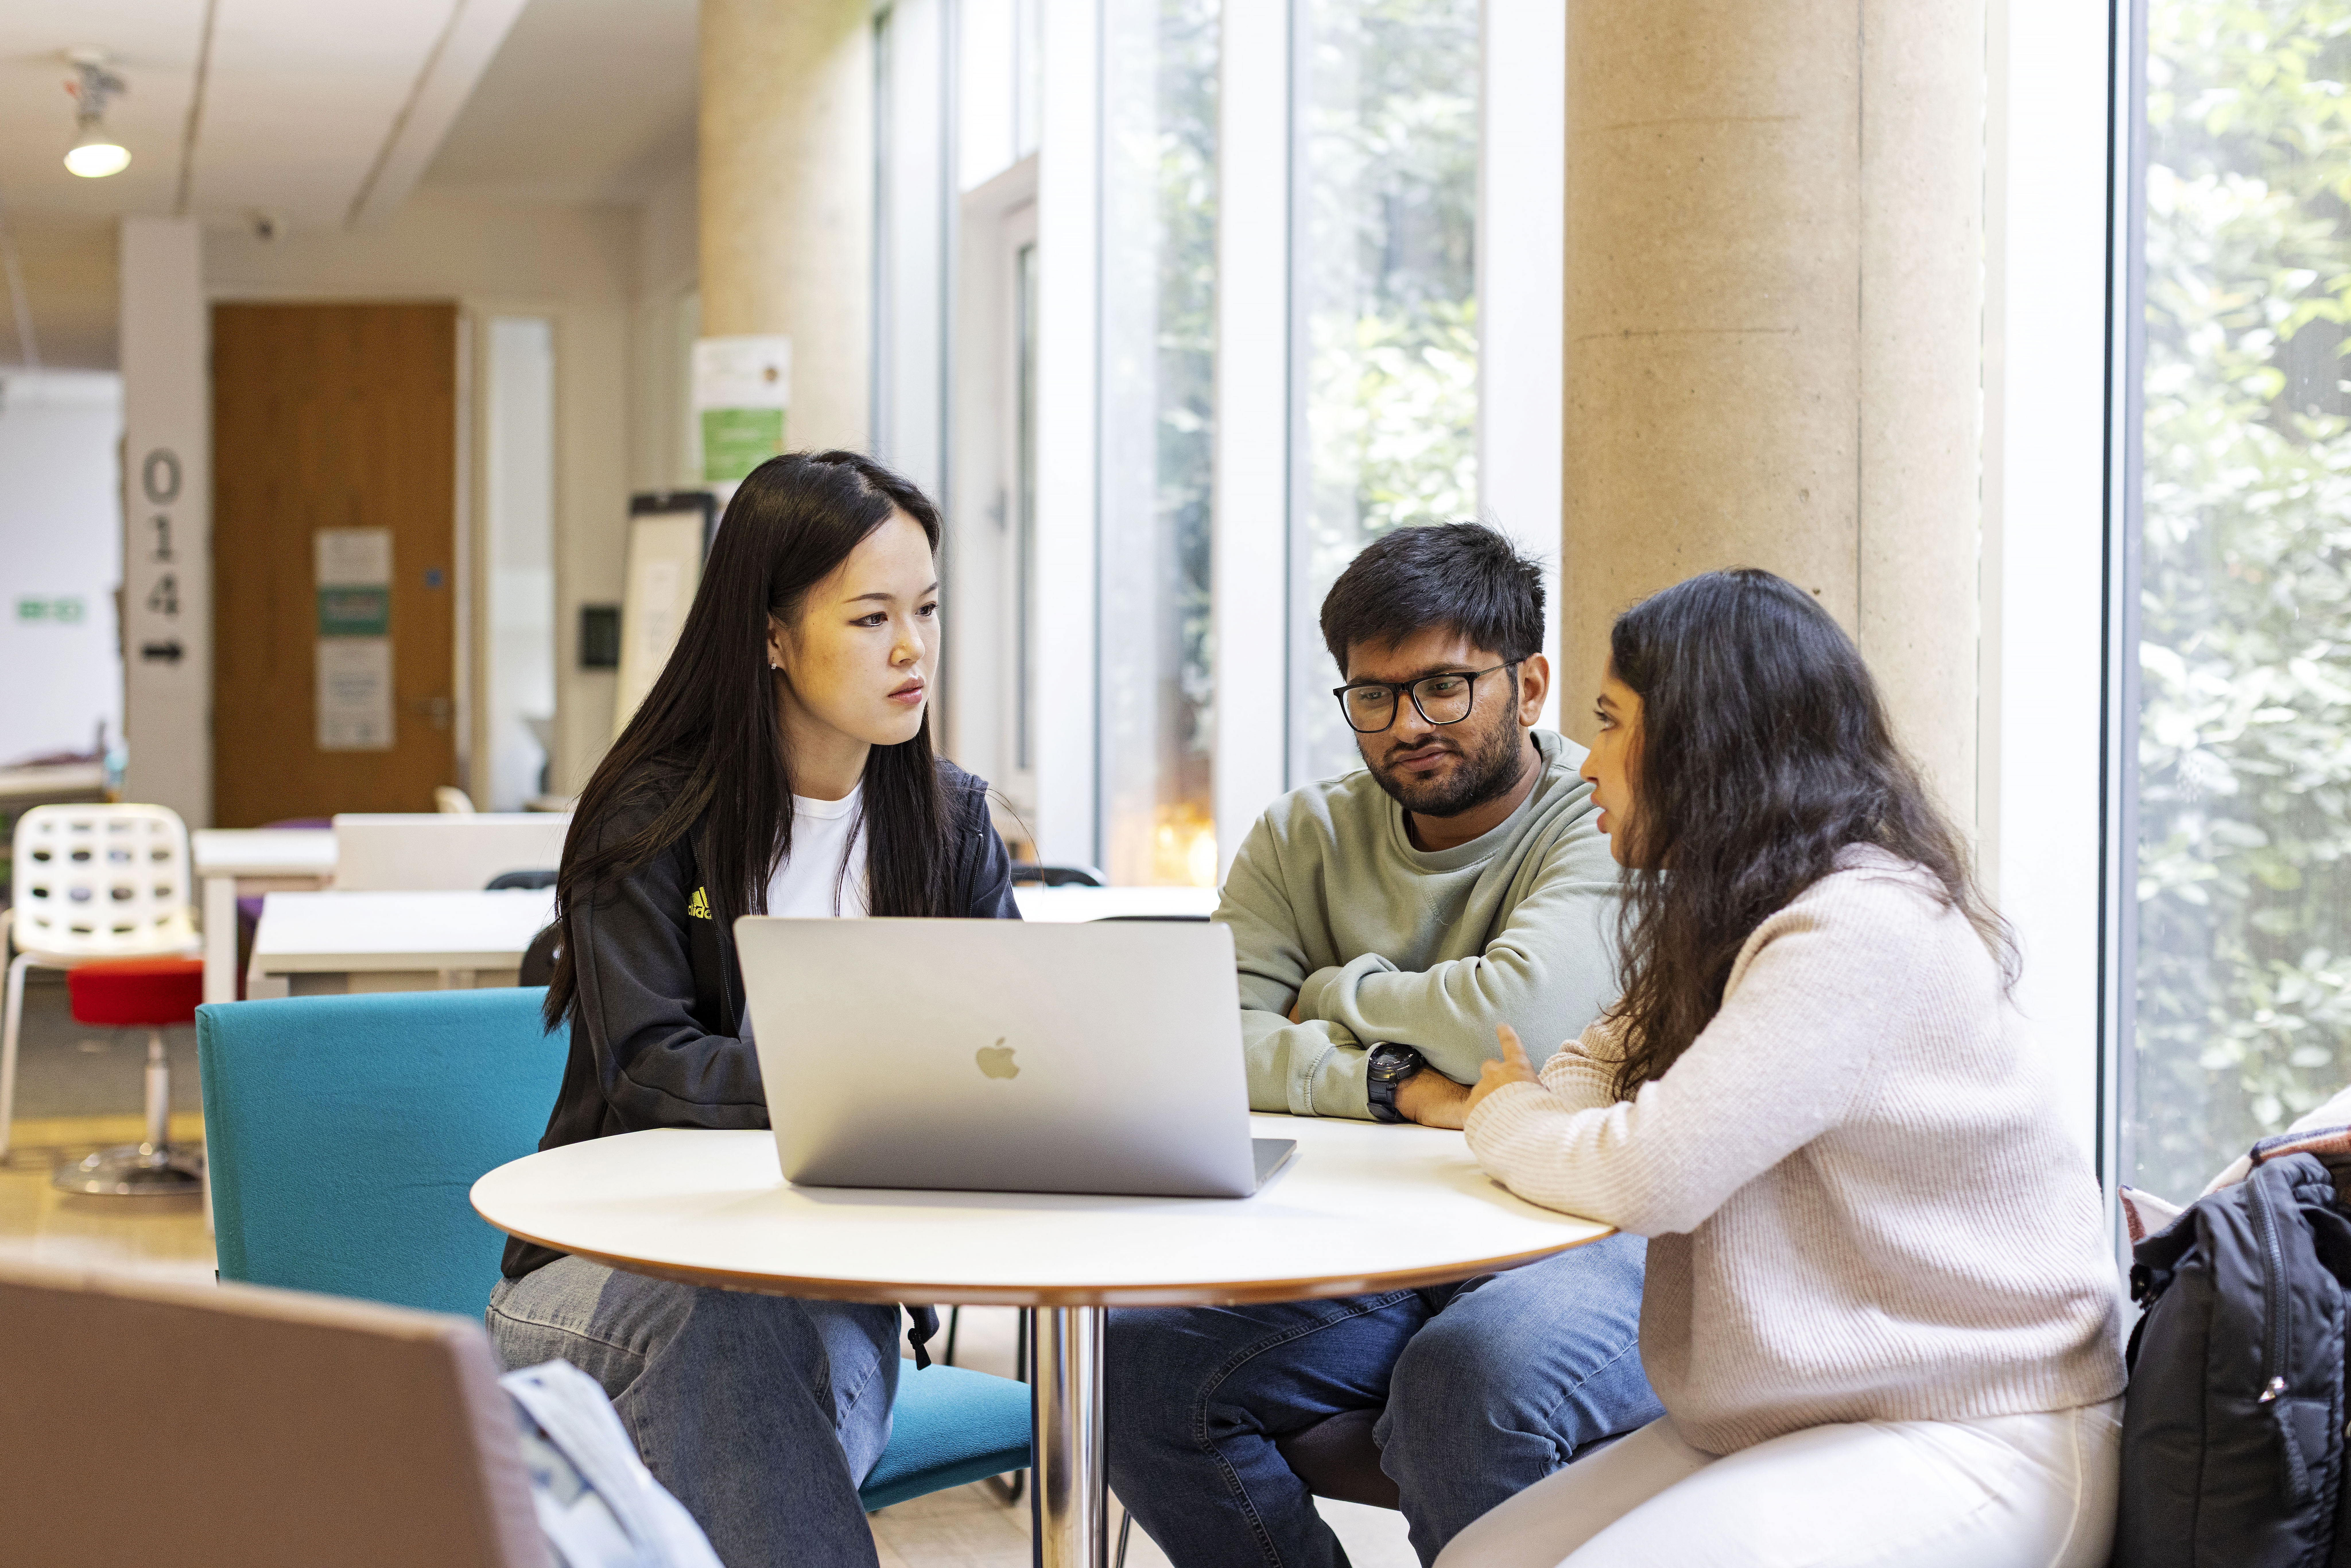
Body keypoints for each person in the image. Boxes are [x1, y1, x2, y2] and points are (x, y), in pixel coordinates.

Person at [1439, 569, 2127, 1568]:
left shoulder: (1859, 925)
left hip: (1974, 1423)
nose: (1587, 763)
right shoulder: (1747, 913)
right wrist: (1542, 1103)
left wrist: (1501, 1118)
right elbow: (1594, 1063)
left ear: (1704, 742)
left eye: (1614, 722)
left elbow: (1650, 1172)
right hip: (1800, 1417)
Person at [484, 452, 1020, 1568]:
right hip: (614, 1274)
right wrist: (875, 1083)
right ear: (771, 633)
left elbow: (1007, 1056)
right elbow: (650, 1066)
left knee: (760, 1352)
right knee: (728, 1336)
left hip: (838, 1302)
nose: (913, 648)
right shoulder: (650, 815)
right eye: (871, 617)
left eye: (924, 609)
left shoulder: (951, 823)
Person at [1107, 523, 1661, 1568]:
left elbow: (1526, 1024)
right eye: (1375, 696)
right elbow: (1198, 1041)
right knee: (1132, 1367)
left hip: (1572, 1236)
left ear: (1530, 685)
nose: (1409, 724)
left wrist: (1330, 988)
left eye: (1446, 687)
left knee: (1472, 1381)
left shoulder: (1600, 809)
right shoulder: (1300, 835)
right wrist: (1390, 1082)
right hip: (1367, 1242)